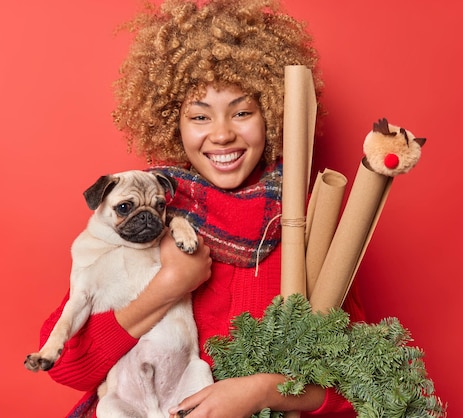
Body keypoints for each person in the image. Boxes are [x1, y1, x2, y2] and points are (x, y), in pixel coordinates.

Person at [38, 0, 366, 417]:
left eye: (242, 112)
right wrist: (169, 286)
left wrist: (263, 391)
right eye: (199, 116)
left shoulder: (307, 225)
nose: (223, 134)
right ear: (172, 123)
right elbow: (67, 366)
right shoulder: (147, 218)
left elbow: (363, 383)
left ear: (272, 114)